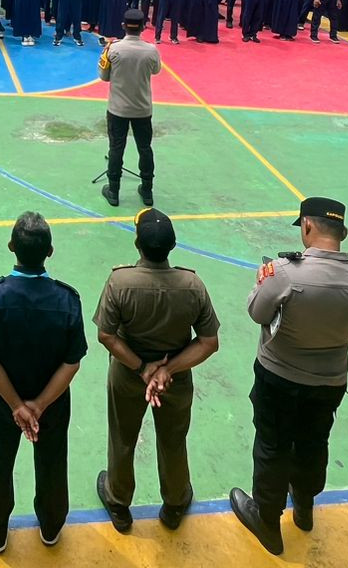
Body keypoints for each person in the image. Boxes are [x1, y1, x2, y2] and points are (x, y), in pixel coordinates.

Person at [228, 200, 348, 557]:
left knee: (272, 443)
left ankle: (267, 519)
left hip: (278, 374)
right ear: (342, 233)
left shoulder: (284, 273)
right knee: (315, 440)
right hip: (329, 379)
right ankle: (304, 507)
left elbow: (257, 312)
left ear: (307, 228)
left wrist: (260, 282)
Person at [92, 209, 220, 535]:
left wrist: (143, 368)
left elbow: (106, 335)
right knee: (173, 439)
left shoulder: (120, 282)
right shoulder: (192, 285)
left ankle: (119, 504)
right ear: (172, 245)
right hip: (175, 378)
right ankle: (175, 503)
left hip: (128, 373)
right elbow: (208, 342)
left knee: (123, 438)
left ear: (138, 244)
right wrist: (167, 369)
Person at [0, 214, 88, 553]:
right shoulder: (67, 300)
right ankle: (51, 524)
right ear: (50, 251)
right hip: (51, 402)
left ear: (11, 248)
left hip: (4, 401)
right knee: (52, 461)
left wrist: (17, 406)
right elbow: (72, 361)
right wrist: (39, 405)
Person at [98, 8, 162, 209]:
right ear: (143, 27)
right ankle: (147, 190)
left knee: (116, 148)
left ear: (124, 26)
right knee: (145, 148)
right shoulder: (151, 50)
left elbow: (103, 76)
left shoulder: (113, 49)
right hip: (142, 109)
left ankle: (114, 191)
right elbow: (156, 70)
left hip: (118, 109)